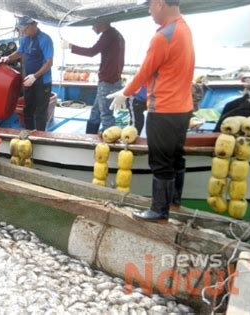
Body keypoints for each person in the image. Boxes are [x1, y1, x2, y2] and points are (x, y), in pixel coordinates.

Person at [107, 0, 195, 224]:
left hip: (164, 109)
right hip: (183, 108)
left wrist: (124, 92)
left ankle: (159, 211)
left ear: (159, 4)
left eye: (149, 6)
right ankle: (174, 201)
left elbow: (144, 73)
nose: (148, 11)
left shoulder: (162, 37)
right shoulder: (183, 28)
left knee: (161, 161)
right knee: (177, 157)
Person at [62, 19, 125, 134]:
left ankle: (110, 145)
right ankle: (90, 138)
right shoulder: (117, 35)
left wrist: (70, 46)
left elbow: (92, 52)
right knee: (95, 112)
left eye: (93, 25)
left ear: (101, 22)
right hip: (112, 80)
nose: (92, 28)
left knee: (106, 116)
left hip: (108, 82)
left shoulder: (108, 35)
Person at [1, 16, 54, 131]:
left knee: (40, 111)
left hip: (42, 81)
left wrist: (35, 76)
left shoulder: (45, 40)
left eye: (25, 29)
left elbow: (49, 63)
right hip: (28, 79)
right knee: (28, 109)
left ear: (33, 25)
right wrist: (8, 58)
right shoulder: (26, 38)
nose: (24, 32)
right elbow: (20, 52)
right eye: (22, 30)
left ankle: (40, 136)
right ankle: (29, 133)